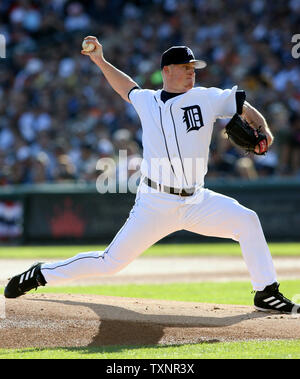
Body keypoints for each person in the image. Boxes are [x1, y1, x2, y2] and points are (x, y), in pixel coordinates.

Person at [4, 37, 299, 314]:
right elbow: (126, 87)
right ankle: (42, 273)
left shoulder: (206, 98)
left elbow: (244, 107)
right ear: (167, 71)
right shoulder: (148, 100)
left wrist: (264, 131)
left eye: (193, 68)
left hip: (197, 200)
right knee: (110, 263)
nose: (191, 73)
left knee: (247, 220)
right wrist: (100, 60)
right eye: (185, 68)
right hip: (155, 202)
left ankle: (266, 292)